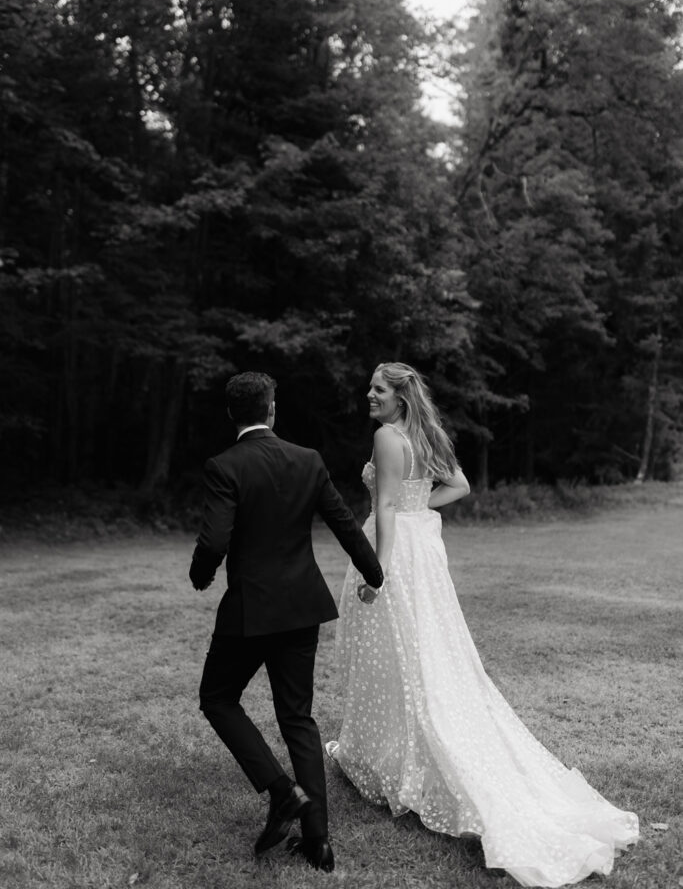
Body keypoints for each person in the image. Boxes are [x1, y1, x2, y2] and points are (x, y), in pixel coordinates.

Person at [326, 362, 639, 888]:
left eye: (379, 389)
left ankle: (393, 757)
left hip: (397, 554)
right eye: (371, 387)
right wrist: (418, 507)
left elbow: (382, 506)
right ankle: (376, 748)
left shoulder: (385, 437)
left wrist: (376, 571)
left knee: (397, 659)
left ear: (400, 397)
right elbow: (461, 486)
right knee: (420, 657)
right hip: (421, 552)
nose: (369, 394)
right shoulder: (424, 436)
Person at [190, 371, 383, 874]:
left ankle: (282, 792)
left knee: (217, 698)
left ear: (233, 414)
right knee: (298, 717)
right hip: (302, 608)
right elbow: (343, 522)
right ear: (272, 410)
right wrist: (374, 572)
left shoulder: (224, 465)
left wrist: (200, 574)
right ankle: (318, 842)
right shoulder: (307, 460)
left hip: (251, 611)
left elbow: (213, 541)